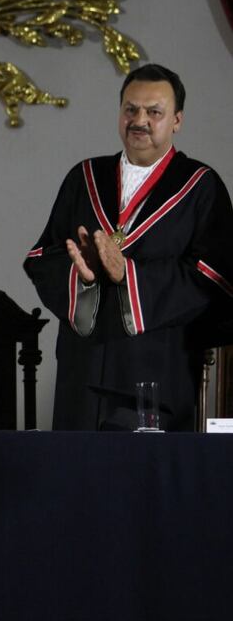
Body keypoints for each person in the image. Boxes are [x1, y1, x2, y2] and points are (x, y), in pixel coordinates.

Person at [24, 64, 233, 430]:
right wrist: (81, 277)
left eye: (154, 112)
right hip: (83, 367)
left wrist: (130, 276)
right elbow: (46, 257)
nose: (140, 120)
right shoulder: (84, 176)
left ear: (177, 120)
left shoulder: (201, 187)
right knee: (78, 478)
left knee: (144, 481)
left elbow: (211, 278)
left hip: (157, 371)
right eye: (130, 109)